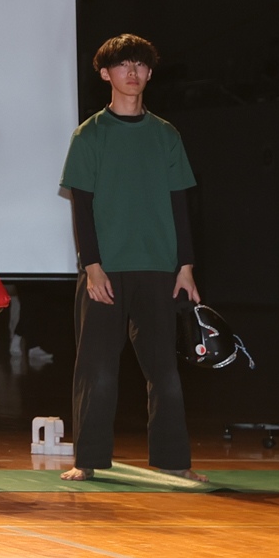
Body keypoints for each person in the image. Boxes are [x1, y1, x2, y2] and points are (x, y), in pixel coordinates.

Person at [60, 34, 205, 482]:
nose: (132, 72)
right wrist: (92, 266)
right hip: (105, 269)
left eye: (140, 65)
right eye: (123, 65)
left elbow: (180, 203)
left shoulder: (166, 134)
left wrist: (186, 266)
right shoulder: (89, 134)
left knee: (164, 370)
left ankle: (174, 462)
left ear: (149, 73)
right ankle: (87, 460)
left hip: (159, 268)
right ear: (106, 74)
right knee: (97, 369)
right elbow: (81, 206)